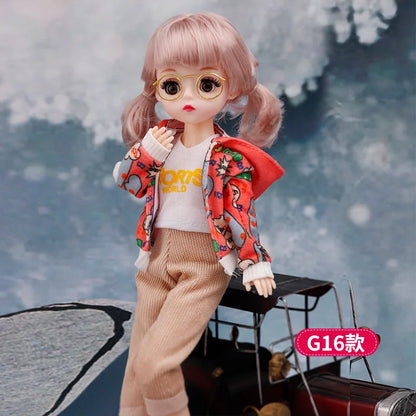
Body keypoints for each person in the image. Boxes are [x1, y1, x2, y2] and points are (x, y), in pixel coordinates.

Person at [113, 12, 285, 416]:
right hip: (154, 257)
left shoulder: (226, 157)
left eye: (207, 84)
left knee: (156, 365)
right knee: (137, 366)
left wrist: (254, 260)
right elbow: (129, 182)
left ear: (232, 86)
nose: (187, 96)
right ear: (156, 87)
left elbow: (240, 210)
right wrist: (147, 154)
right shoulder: (161, 142)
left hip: (203, 262)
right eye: (172, 85)